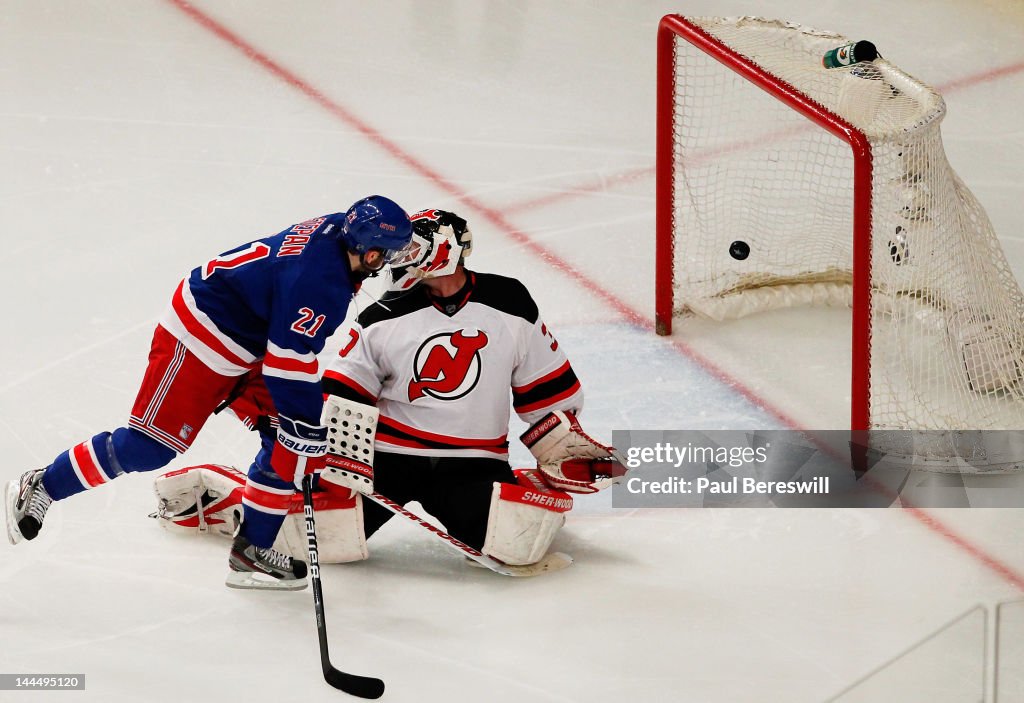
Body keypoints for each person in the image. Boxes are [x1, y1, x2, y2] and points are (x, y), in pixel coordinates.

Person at [151, 208, 625, 570]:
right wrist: (332, 451)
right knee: (325, 540)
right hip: (387, 460)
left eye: (415, 249)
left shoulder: (510, 302)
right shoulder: (383, 314)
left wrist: (561, 449)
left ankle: (529, 495)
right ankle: (221, 493)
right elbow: (342, 390)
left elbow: (546, 389)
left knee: (520, 541)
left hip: (473, 463)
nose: (400, 259)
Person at [5, 195, 415, 591]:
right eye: (390, 254)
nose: (391, 263)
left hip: (255, 338)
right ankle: (44, 484)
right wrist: (306, 423)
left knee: (287, 447)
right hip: (203, 334)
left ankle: (251, 550)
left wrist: (301, 428)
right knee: (149, 448)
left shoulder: (338, 236)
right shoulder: (320, 282)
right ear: (372, 252)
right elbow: (288, 364)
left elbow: (287, 349)